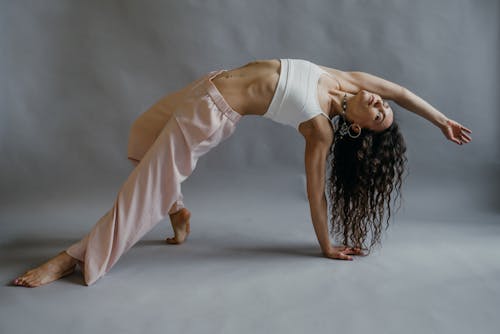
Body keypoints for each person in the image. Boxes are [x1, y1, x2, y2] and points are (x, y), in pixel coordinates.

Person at [12, 58, 472, 288]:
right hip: (205, 85)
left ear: (356, 127)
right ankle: (178, 211)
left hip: (212, 112)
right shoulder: (347, 81)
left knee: (145, 184)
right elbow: (402, 90)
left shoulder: (319, 131)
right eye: (381, 105)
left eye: (378, 116)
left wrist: (327, 245)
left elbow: (314, 194)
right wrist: (441, 120)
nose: (379, 103)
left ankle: (74, 258)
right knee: (142, 133)